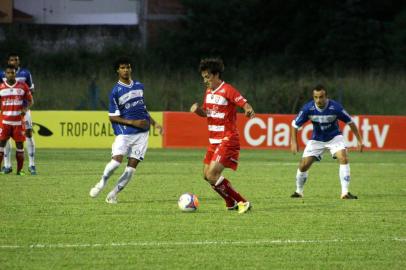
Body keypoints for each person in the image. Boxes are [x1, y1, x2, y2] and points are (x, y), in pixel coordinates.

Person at [89, 57, 162, 204]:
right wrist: (133, 122)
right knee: (116, 163)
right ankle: (102, 182)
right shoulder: (115, 92)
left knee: (131, 170)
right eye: (122, 67)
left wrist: (155, 124)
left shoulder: (139, 86)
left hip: (142, 135)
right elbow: (112, 117)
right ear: (117, 70)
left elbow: (143, 109)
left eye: (128, 67)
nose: (126, 70)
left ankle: (113, 195)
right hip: (125, 134)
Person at [190, 57, 255, 214]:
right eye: (203, 77)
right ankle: (230, 202)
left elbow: (244, 103)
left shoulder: (228, 90)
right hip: (214, 141)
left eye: (207, 77)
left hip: (228, 138)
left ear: (216, 74)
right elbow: (207, 113)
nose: (205, 80)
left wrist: (248, 110)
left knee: (213, 174)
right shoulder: (208, 92)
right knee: (206, 175)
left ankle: (243, 202)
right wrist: (198, 111)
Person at [290, 84, 363, 199]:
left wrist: (359, 140)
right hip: (317, 140)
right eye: (316, 97)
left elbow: (350, 122)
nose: (318, 100)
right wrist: (294, 142)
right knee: (303, 165)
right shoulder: (308, 109)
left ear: (326, 97)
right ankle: (299, 192)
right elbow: (294, 125)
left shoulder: (336, 108)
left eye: (321, 97)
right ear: (313, 97)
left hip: (334, 138)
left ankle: (345, 192)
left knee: (343, 157)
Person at [0, 53, 37, 175]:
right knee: (5, 138)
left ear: (19, 61)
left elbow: (31, 90)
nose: (14, 62)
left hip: (22, 110)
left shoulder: (26, 73)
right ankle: (7, 165)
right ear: (8, 61)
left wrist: (25, 107)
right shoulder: (2, 73)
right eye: (11, 60)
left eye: (16, 60)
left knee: (28, 133)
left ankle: (32, 165)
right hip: (7, 111)